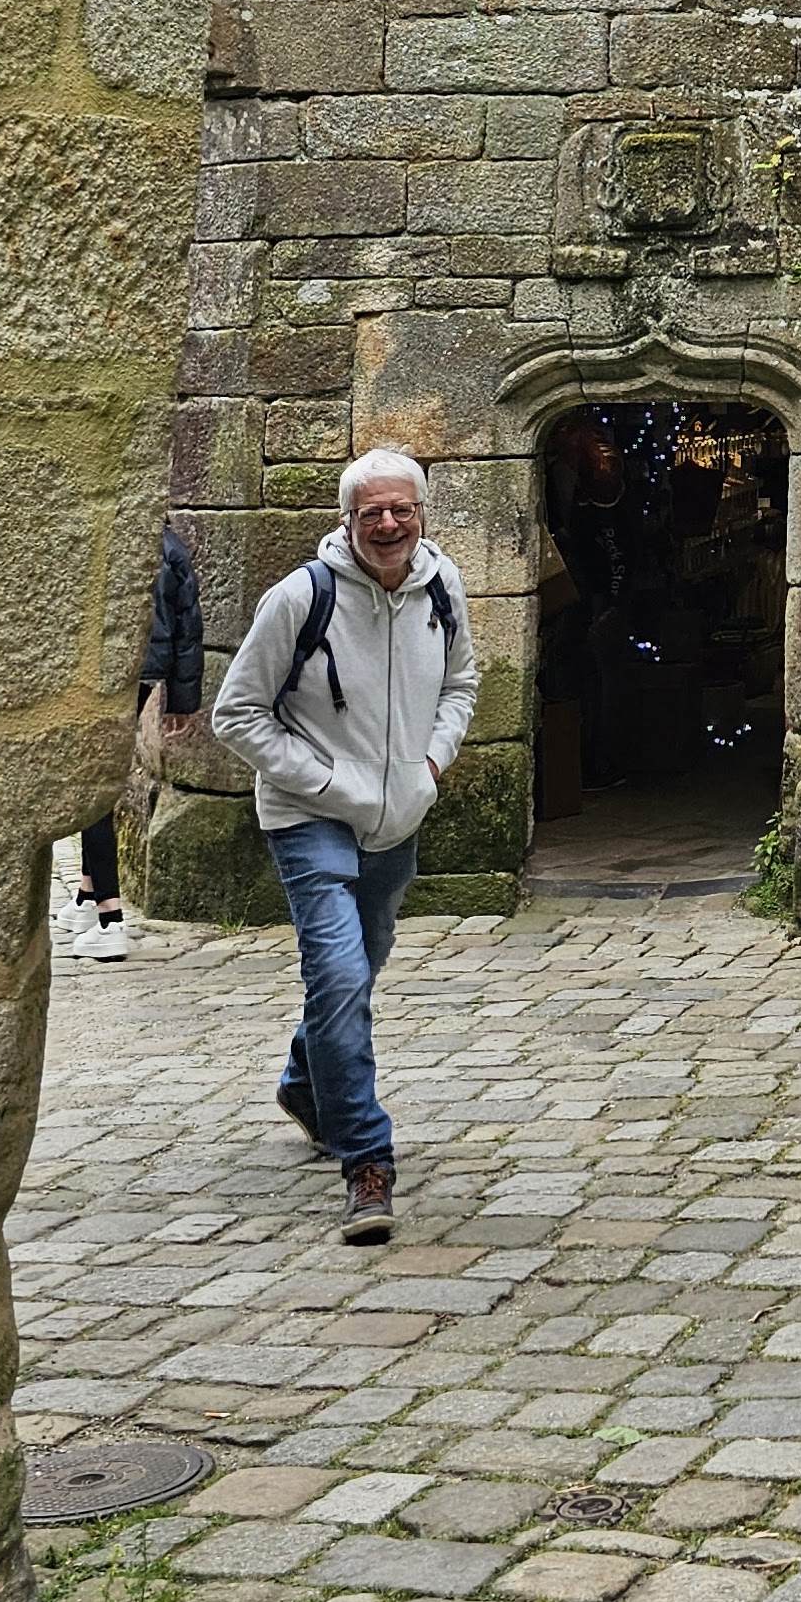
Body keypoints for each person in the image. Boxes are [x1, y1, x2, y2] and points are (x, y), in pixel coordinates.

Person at [212, 446, 477, 1244]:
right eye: (373, 512)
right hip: (308, 818)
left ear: (421, 513)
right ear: (348, 518)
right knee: (337, 973)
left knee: (357, 971)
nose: (388, 524)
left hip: (398, 817)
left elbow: (460, 685)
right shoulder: (301, 597)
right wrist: (327, 782)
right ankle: (367, 1162)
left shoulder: (443, 586)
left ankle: (306, 1084)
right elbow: (237, 713)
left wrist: (430, 766)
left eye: (401, 509)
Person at [66, 520, 206, 960]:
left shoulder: (109, 534)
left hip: (104, 675)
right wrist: (181, 699)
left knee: (91, 789)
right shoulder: (170, 544)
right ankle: (87, 895)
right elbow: (189, 623)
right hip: (143, 672)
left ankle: (110, 918)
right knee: (95, 780)